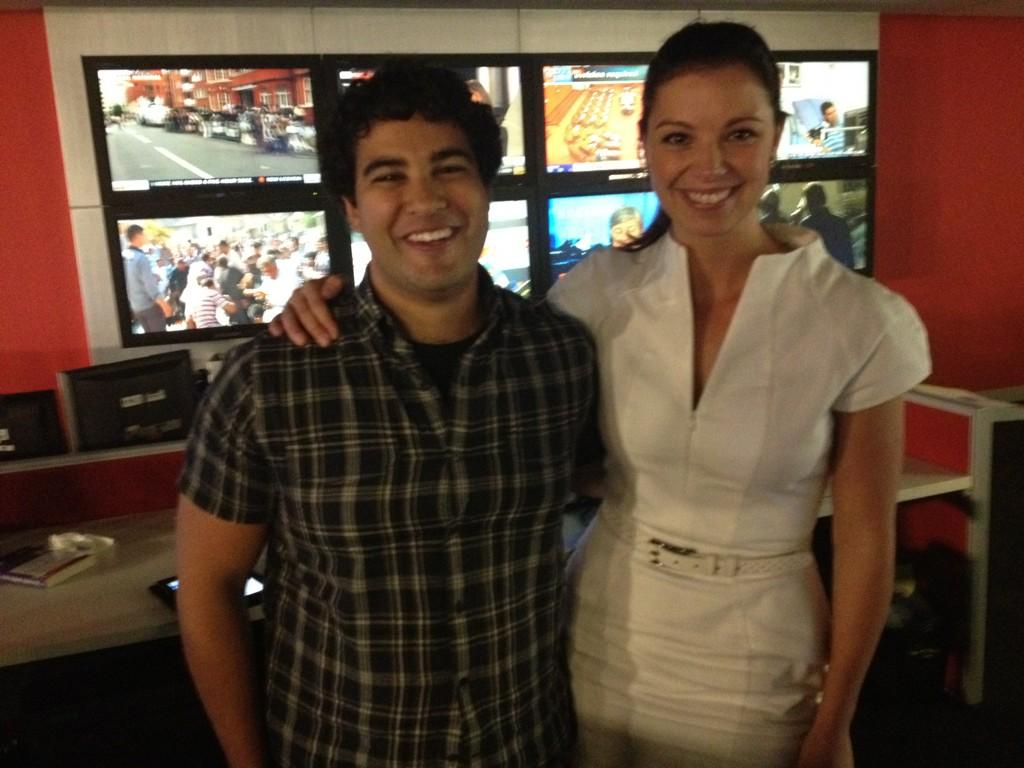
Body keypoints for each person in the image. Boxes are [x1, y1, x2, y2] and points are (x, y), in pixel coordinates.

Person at [272, 21, 931, 768]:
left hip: (758, 659)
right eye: (679, 138)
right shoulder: (600, 290)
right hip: (600, 634)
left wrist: (836, 721)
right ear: (645, 144)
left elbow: (866, 541)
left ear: (777, 136)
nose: (709, 164)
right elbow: (482, 347)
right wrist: (328, 300)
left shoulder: (860, 319)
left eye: (740, 134)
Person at [175, 61, 597, 768]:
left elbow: (609, 476)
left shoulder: (561, 356)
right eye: (388, 176)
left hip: (527, 744)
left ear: (486, 185)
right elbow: (209, 588)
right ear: (350, 205)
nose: (424, 200)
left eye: (449, 168)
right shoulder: (269, 379)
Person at [121, 223, 166, 333]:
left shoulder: (124, 255)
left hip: (136, 307)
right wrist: (164, 305)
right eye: (144, 234)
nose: (146, 237)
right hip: (150, 307)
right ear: (138, 236)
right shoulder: (140, 258)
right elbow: (150, 287)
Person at [800, 183, 857, 269]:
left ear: (808, 202)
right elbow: (849, 258)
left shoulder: (806, 225)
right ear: (824, 199)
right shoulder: (840, 223)